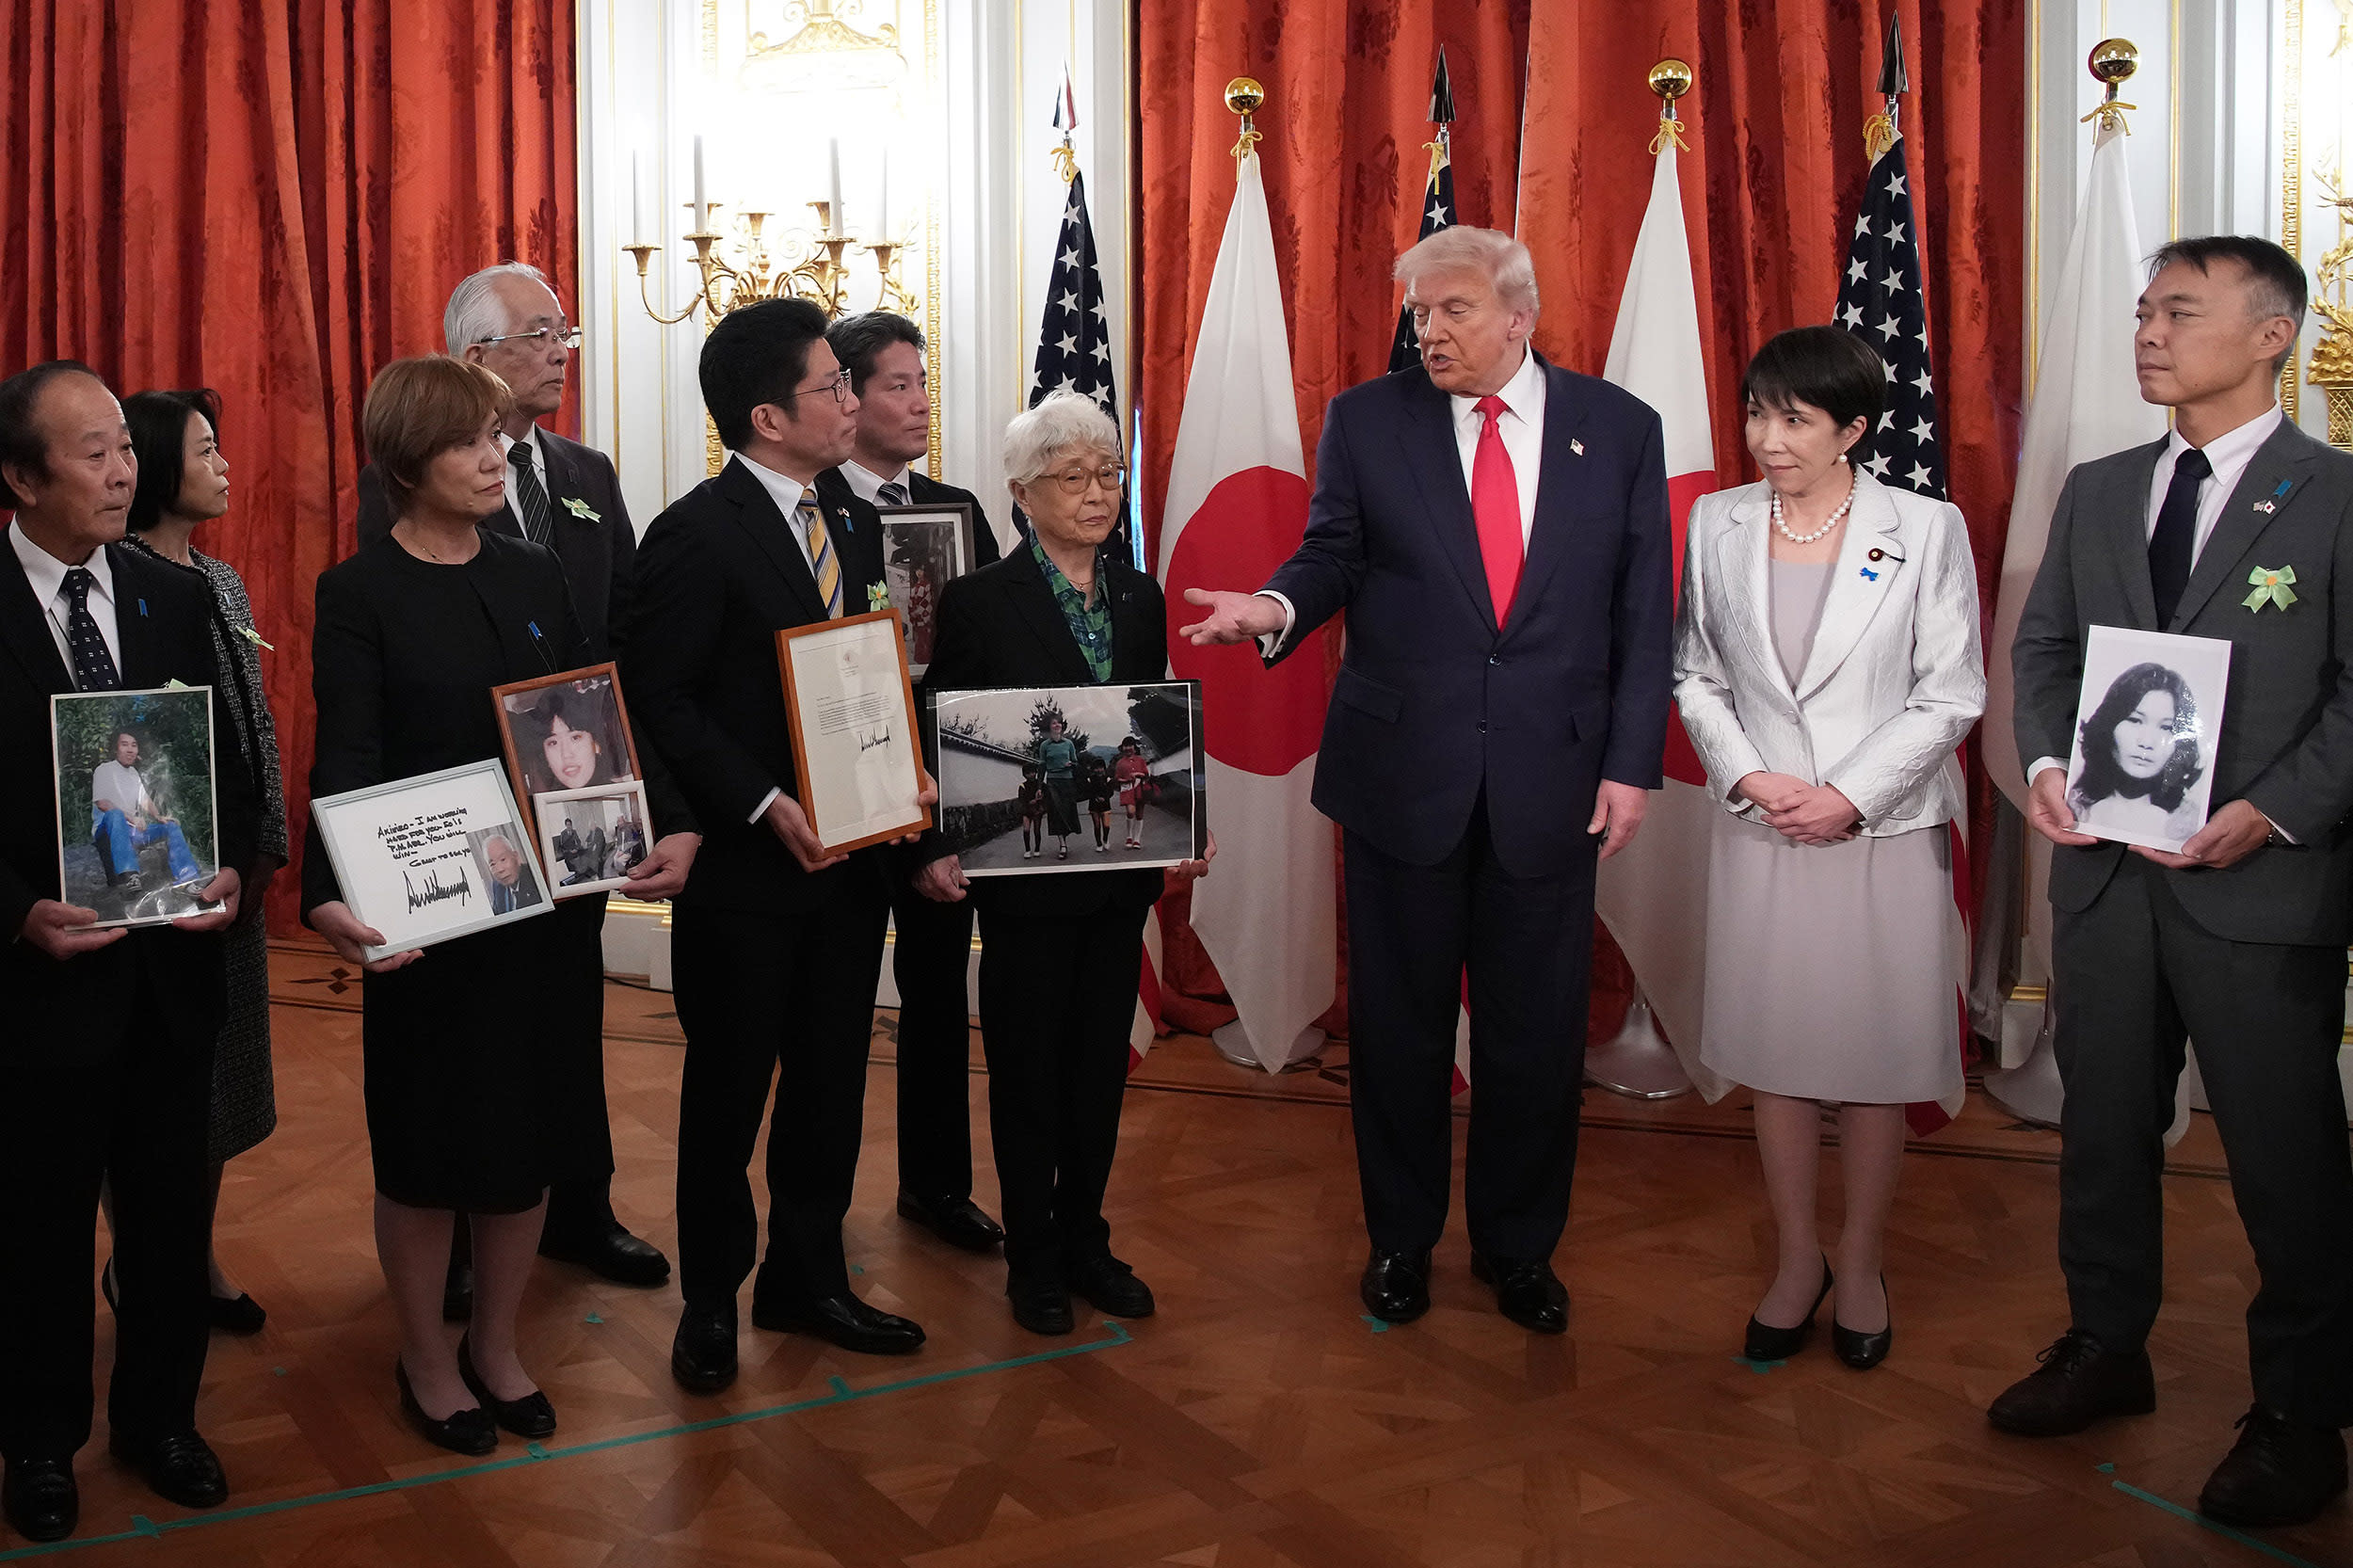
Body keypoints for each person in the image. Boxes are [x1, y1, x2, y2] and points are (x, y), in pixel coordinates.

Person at [1179, 227, 1673, 1334]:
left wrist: (1631, 767)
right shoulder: (1368, 419)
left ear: (1517, 316)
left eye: (1450, 309)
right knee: (1397, 1032)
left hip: (1553, 778)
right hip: (1403, 774)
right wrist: (1274, 609)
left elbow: (1645, 615)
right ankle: (1399, 1242)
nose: (1427, 330)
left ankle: (1518, 1249)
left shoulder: (1617, 428)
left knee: (1534, 1035)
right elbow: (1331, 552)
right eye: (1416, 312)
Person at [2005, 235, 2353, 1529]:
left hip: (2256, 890)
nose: (2148, 331)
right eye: (2144, 310)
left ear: (2272, 335)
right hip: (2104, 881)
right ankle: (2106, 1345)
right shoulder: (2099, 490)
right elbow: (2045, 653)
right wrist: (2048, 759)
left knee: (2284, 1155)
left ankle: (2303, 1413)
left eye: (2181, 312)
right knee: (2100, 1132)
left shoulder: (2334, 493)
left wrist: (2272, 811)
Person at [304, 357, 693, 1458]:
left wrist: (637, 826)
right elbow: (350, 754)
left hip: (546, 913)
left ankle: (497, 1343)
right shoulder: (359, 589)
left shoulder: (534, 574)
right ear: (405, 461)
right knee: (430, 1149)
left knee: (534, 1133)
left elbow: (588, 712)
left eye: (496, 440)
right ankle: (426, 1353)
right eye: (469, 442)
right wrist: (335, 893)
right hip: (425, 919)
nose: (494, 458)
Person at [623, 297, 939, 1391]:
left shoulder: (849, 522)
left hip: (850, 871)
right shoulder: (694, 532)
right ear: (768, 414)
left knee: (829, 1084)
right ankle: (710, 1298)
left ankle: (807, 1279)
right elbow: (660, 698)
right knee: (727, 1092)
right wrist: (760, 801)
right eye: (832, 387)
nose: (853, 402)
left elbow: (863, 672)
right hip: (750, 876)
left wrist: (903, 769)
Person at [362, 263, 680, 1301]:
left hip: (578, 796)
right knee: (465, 1041)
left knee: (563, 1013)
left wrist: (628, 789)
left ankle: (577, 1206)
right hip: (461, 812)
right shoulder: (408, 483)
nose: (559, 351)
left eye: (565, 334)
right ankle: (455, 1234)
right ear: (474, 358)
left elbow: (624, 631)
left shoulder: (587, 473)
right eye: (539, 334)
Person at [1671, 327, 1984, 1371]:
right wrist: (1752, 778)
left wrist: (1849, 794)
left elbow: (1952, 691)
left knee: (1872, 1060)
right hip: (1763, 826)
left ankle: (1860, 1262)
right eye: (1757, 411)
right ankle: (1796, 1259)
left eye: (1794, 419)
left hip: (1880, 833)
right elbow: (1695, 675)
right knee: (1780, 1057)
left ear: (1852, 428)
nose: (1767, 438)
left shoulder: (1925, 529)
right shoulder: (1717, 522)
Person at [0, 361, 255, 1542]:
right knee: (39, 1226)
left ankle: (162, 1419)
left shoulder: (171, 596)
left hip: (170, 974)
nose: (122, 470)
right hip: (38, 988)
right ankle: (40, 1444)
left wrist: (229, 867)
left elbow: (229, 772)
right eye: (92, 452)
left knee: (168, 1222)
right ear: (19, 475)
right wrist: (15, 911)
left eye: (124, 447)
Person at [913, 392, 1210, 1334]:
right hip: (1022, 880)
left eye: (1108, 473)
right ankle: (1033, 1249)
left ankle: (1087, 1234)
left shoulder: (1138, 594)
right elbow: (948, 731)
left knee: (1095, 1066)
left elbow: (1150, 728)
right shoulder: (977, 602)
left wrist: (1182, 819)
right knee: (1029, 1066)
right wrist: (935, 846)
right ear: (1022, 494)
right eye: (1071, 477)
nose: (1096, 493)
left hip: (1117, 874)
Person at [826, 311, 1008, 1256]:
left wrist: (951, 815)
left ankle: (936, 1186)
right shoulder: (811, 510)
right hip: (839, 801)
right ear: (846, 396)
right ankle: (815, 1220)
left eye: (922, 382)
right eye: (899, 384)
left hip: (943, 795)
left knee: (939, 993)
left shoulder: (957, 508)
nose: (920, 401)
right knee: (834, 1001)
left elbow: (975, 669)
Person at [119, 386, 290, 1338]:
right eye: (206, 449)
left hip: (237, 869)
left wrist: (268, 833)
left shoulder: (221, 582)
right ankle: (146, 1263)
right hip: (155, 876)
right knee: (153, 1088)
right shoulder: (115, 582)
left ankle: (195, 1251)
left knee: (221, 1080)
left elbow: (250, 716)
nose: (225, 465)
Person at [2065, 663, 2205, 846]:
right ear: (2109, 724)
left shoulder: (2192, 824)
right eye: (2135, 720)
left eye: (2166, 727)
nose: (2146, 742)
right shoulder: (2072, 807)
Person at [88, 728, 200, 887]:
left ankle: (187, 878)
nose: (130, 749)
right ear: (115, 748)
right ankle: (129, 877)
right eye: (124, 744)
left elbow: (144, 800)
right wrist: (131, 817)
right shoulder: (104, 769)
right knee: (115, 815)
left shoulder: (133, 773)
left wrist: (159, 817)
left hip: (132, 832)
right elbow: (102, 803)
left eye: (134, 745)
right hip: (108, 831)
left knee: (170, 826)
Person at [1034, 717, 1081, 859]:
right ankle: (1062, 845)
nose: (1057, 725)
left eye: (1058, 723)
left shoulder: (1068, 744)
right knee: (1056, 811)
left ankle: (1065, 839)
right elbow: (1042, 766)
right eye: (1053, 723)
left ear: (1062, 726)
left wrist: (1071, 765)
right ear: (1049, 727)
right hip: (1052, 781)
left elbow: (1075, 762)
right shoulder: (1045, 745)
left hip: (1067, 781)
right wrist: (1039, 787)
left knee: (1067, 812)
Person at [482, 835, 540, 915]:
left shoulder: (535, 876)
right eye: (492, 864)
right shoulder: (497, 886)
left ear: (516, 856)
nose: (500, 869)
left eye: (503, 859)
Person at [1112, 737, 1150, 850]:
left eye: (1130, 745)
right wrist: (1126, 780)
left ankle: (1137, 839)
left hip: (1140, 789)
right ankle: (1129, 836)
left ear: (1134, 747)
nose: (1128, 748)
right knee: (1130, 812)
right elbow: (1117, 778)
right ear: (1122, 748)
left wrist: (1138, 773)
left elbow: (1146, 775)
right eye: (1126, 746)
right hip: (1127, 790)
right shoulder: (1120, 762)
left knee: (1139, 814)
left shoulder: (1140, 760)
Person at [1082, 750, 1115, 852]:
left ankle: (1105, 839)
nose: (1099, 770)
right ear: (1093, 769)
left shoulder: (1108, 779)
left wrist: (1105, 798)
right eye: (1096, 768)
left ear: (1104, 768)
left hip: (1106, 805)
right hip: (1094, 805)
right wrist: (1096, 797)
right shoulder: (1089, 779)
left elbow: (1111, 792)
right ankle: (1099, 843)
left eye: (1101, 767)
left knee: (1106, 825)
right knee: (1096, 825)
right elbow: (1088, 791)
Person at [1016, 765, 1047, 858]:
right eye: (1028, 773)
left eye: (1033, 772)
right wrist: (1029, 802)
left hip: (1037, 810)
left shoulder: (1041, 784)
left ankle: (1037, 849)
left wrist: (1041, 803)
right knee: (1026, 829)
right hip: (1026, 810)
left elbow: (1046, 796)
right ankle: (1027, 850)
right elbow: (1021, 799)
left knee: (1037, 830)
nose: (1031, 775)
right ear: (1024, 775)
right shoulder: (1022, 786)